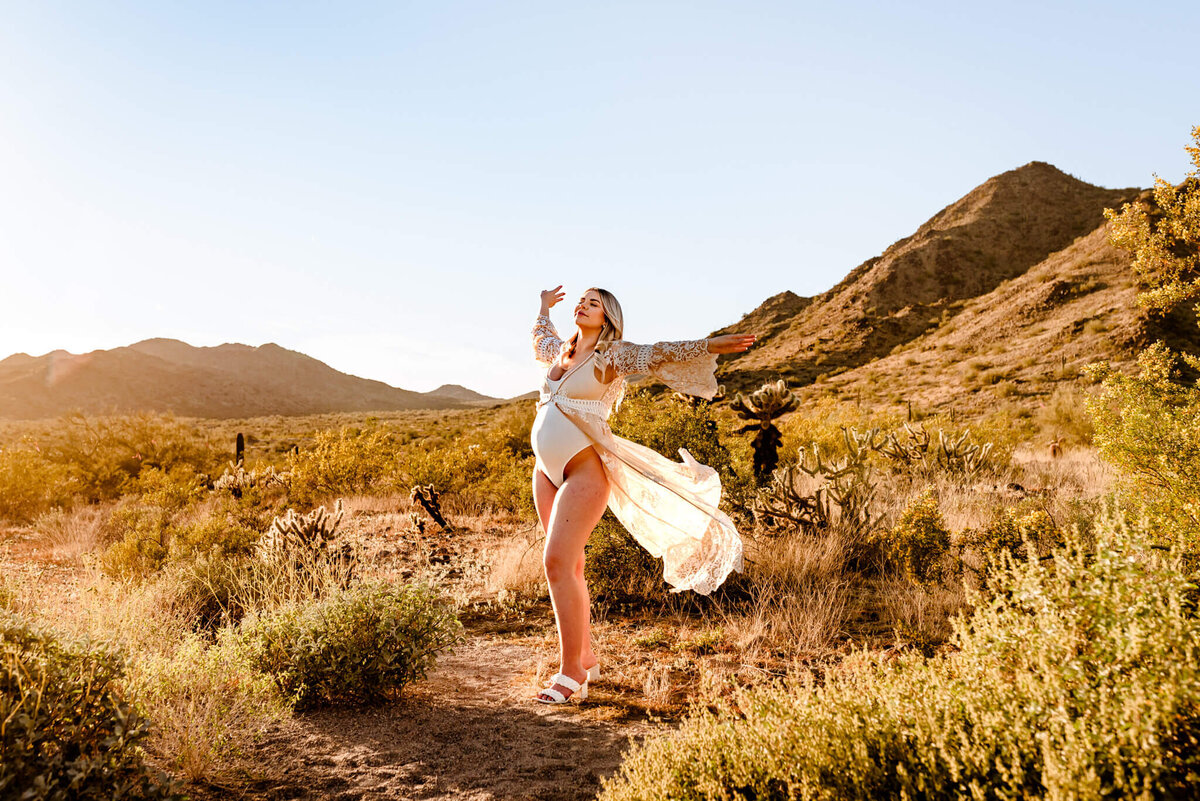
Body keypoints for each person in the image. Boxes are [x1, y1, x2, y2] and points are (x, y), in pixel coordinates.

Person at [530, 285, 755, 704]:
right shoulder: (559, 351)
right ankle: (586, 657)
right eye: (581, 299)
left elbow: (658, 352)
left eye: (593, 303)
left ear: (608, 318)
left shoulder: (610, 357)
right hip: (544, 470)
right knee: (570, 567)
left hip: (584, 471)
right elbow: (539, 334)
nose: (582, 305)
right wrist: (543, 307)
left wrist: (710, 345)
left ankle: (570, 672)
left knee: (556, 563)